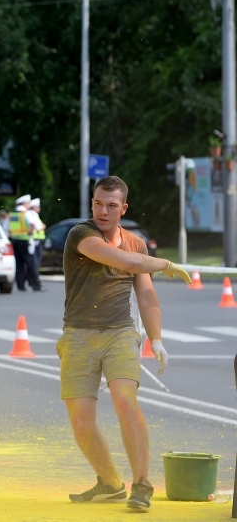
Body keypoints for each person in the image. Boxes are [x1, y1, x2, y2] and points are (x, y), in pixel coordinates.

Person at [60, 176, 191, 511]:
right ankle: (109, 483)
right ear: (92, 204)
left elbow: (146, 295)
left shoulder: (136, 243)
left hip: (120, 332)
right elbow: (126, 263)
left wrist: (157, 339)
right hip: (78, 334)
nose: (103, 211)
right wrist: (167, 264)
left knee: (124, 401)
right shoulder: (82, 234)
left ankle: (142, 483)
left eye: (111, 205)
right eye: (98, 203)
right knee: (81, 421)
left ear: (124, 208)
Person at [9, 194, 42, 292]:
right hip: (25, 241)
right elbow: (33, 224)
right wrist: (30, 232)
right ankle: (36, 285)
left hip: (15, 241)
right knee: (31, 264)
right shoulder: (25, 213)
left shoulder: (12, 214)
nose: (29, 205)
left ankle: (21, 286)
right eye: (28, 203)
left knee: (19, 264)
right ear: (24, 204)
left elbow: (7, 228)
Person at [28, 198, 47, 277]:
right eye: (38, 207)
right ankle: (34, 279)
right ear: (34, 207)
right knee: (36, 262)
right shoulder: (33, 215)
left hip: (36, 240)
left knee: (35, 261)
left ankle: (33, 279)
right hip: (36, 240)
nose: (39, 208)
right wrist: (43, 226)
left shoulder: (32, 214)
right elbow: (38, 227)